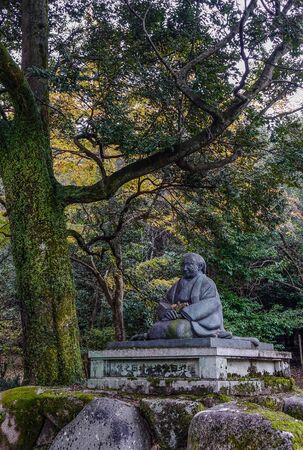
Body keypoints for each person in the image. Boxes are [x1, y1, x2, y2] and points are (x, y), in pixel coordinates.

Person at [147, 253, 232, 340]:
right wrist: (167, 312)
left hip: (198, 323)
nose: (184, 268)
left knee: (179, 328)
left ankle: (214, 333)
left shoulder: (207, 283)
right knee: (155, 329)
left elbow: (211, 303)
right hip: (175, 320)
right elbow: (165, 302)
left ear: (200, 266)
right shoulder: (177, 284)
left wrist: (184, 313)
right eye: (183, 265)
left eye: (189, 264)